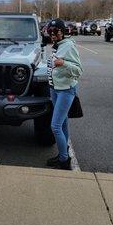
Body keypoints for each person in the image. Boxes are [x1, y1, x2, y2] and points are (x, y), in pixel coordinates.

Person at [46, 18, 83, 170]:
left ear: (63, 32)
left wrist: (64, 63)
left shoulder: (68, 46)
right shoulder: (57, 45)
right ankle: (64, 153)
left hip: (66, 90)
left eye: (55, 32)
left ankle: (63, 161)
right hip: (55, 89)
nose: (52, 34)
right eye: (50, 32)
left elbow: (78, 70)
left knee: (55, 126)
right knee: (63, 123)